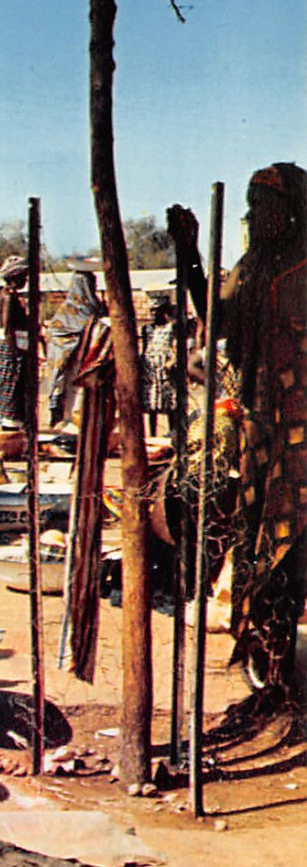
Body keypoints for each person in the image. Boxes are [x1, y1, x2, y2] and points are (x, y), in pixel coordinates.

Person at [168, 162, 307, 716]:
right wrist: (190, 255)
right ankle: (268, 664)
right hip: (261, 432)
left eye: (260, 206)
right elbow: (217, 320)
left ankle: (276, 665)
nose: (251, 217)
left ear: (292, 210)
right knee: (256, 540)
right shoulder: (251, 269)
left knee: (295, 549)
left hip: (302, 439)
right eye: (246, 206)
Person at [46, 264, 104, 427]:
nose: (94, 287)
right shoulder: (66, 313)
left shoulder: (96, 309)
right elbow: (56, 337)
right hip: (69, 367)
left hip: (88, 366)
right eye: (90, 283)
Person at [0, 255, 33, 430]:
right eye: (23, 277)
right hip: (11, 350)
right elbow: (7, 327)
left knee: (14, 389)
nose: (25, 280)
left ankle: (13, 424)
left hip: (14, 348)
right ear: (15, 278)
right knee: (12, 388)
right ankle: (10, 427)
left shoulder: (9, 296)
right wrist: (15, 353)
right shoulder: (8, 298)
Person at [139, 293, 179, 437]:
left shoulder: (170, 328)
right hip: (150, 368)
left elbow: (175, 347)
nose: (154, 314)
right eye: (152, 311)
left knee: (169, 402)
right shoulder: (147, 329)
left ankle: (172, 433)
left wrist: (172, 361)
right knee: (151, 404)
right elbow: (145, 347)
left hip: (165, 369)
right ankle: (152, 435)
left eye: (157, 310)